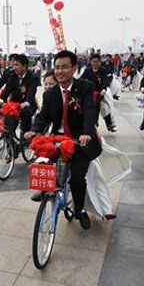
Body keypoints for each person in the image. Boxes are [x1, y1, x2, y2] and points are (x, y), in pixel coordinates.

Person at [25, 50, 102, 230]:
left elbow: (90, 111)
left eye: (65, 67)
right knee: (42, 162)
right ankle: (47, 190)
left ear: (74, 68)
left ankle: (80, 210)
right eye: (57, 67)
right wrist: (34, 131)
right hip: (58, 139)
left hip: (79, 141)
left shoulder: (85, 87)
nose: (60, 71)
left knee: (76, 179)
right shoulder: (50, 94)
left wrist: (86, 133)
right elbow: (43, 117)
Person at [0, 54, 40, 135]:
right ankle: (9, 139)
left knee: (25, 117)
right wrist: (0, 100)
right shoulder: (12, 76)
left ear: (24, 66)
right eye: (13, 64)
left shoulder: (33, 77)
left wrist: (27, 102)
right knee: (8, 123)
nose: (14, 67)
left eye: (16, 65)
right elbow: (7, 89)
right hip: (15, 104)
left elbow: (31, 91)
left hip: (28, 105)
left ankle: (25, 138)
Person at [80, 53, 116, 132]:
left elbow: (105, 81)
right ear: (91, 62)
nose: (95, 64)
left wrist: (104, 89)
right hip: (89, 93)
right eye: (93, 61)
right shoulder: (87, 70)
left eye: (97, 62)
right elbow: (81, 79)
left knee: (105, 107)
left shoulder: (103, 70)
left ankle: (109, 123)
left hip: (100, 92)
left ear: (99, 62)